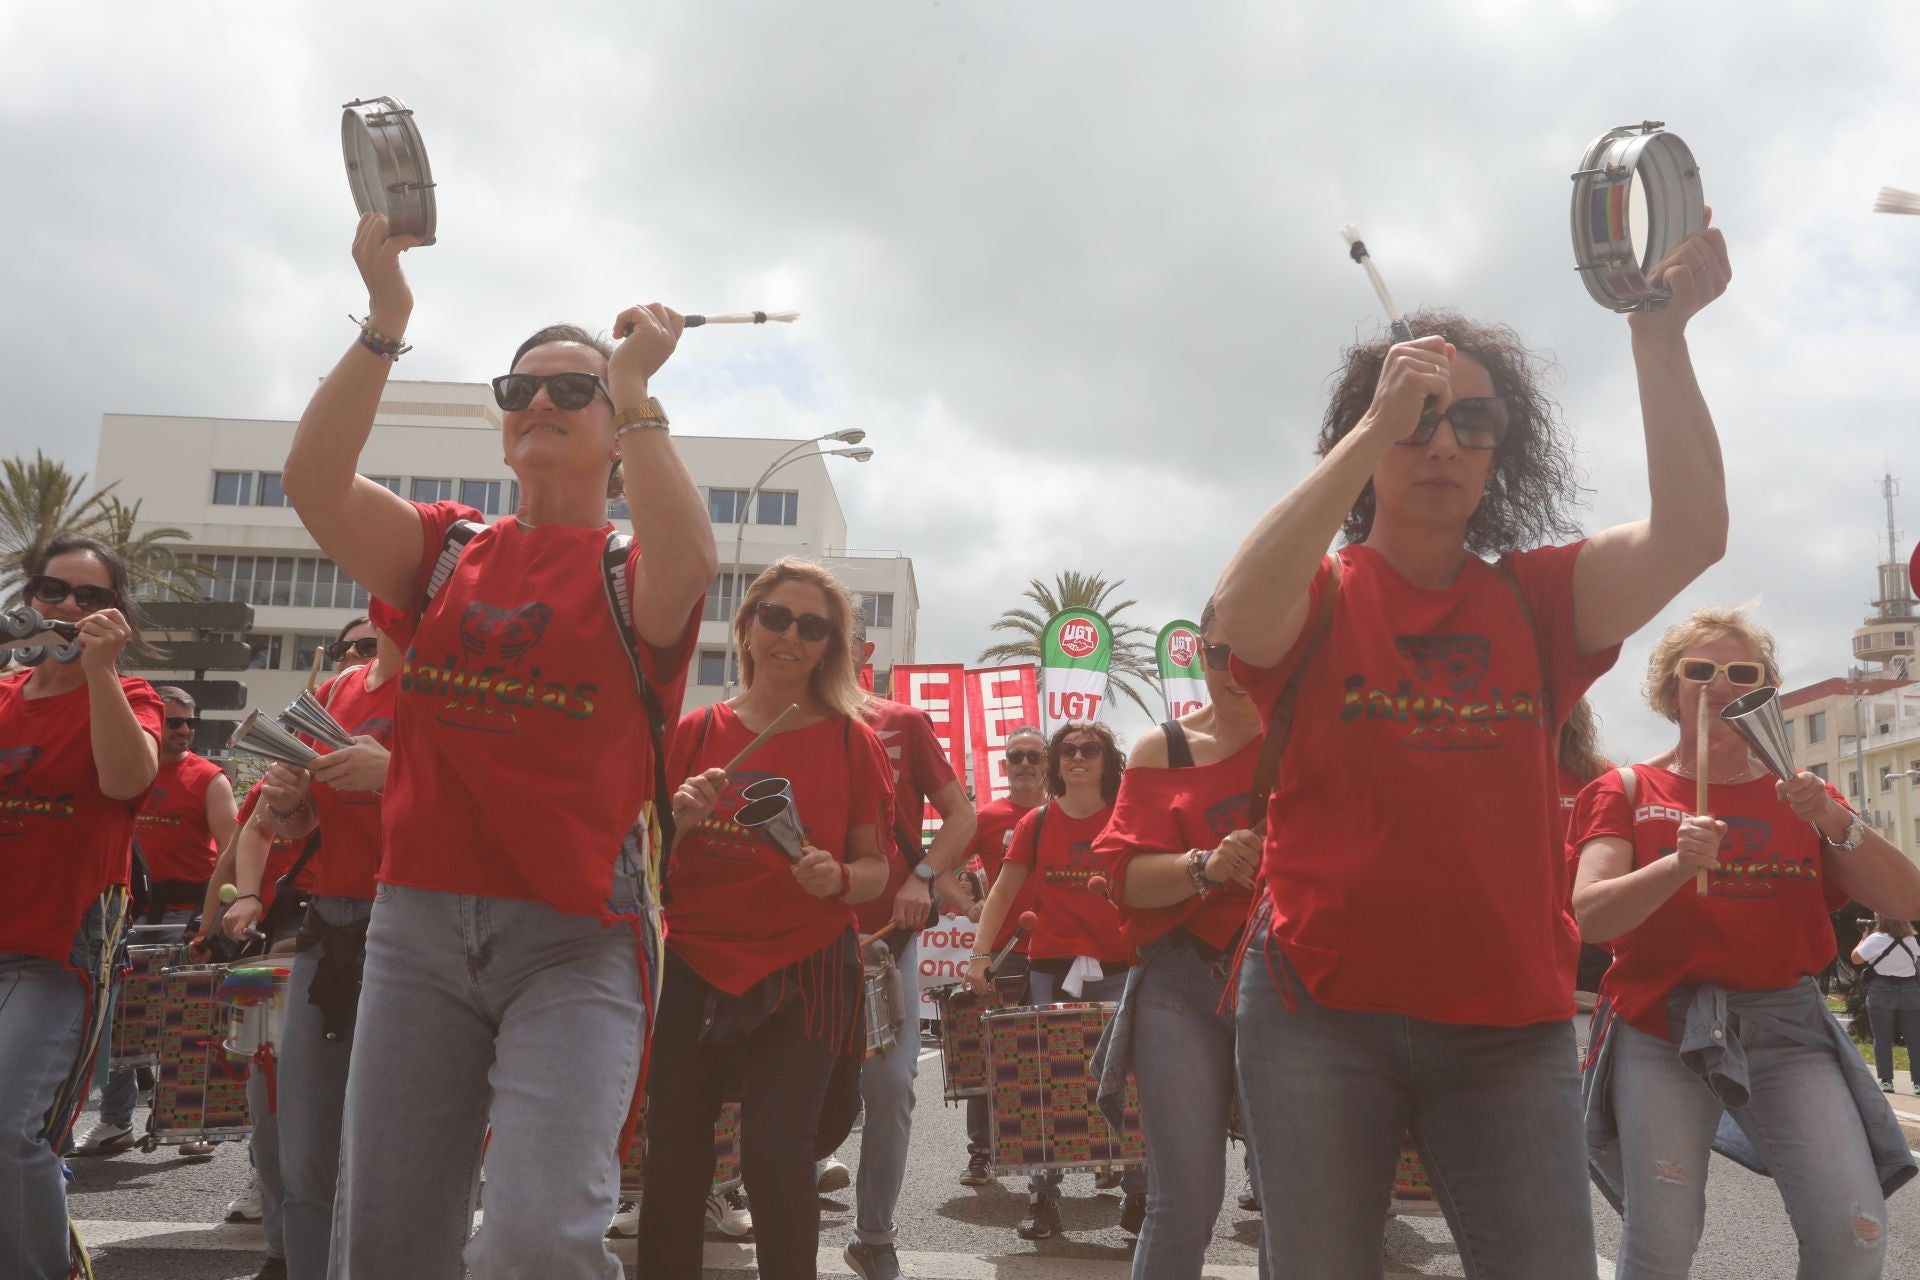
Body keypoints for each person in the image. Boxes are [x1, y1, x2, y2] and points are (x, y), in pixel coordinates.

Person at [1211, 211, 1732, 1278]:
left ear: (1506, 450)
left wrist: (1660, 340)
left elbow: (1691, 535)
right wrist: (1369, 428)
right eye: (1417, 419)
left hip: (1508, 1024)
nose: (1443, 443)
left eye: (1472, 422)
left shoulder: (1538, 601)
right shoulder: (1319, 593)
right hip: (1318, 1008)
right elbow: (1234, 617)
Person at [280, 210, 716, 1279]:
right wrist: (386, 319)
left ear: (619, 432)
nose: (541, 402)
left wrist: (640, 386)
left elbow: (689, 560)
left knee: (535, 1238)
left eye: (577, 389)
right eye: (520, 389)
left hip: (578, 936)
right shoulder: (444, 550)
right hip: (417, 924)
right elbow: (314, 486)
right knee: (387, 1244)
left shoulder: (628, 569)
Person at [1571, 605, 1920, 1277]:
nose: (1719, 683)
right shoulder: (1626, 789)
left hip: (1786, 1028)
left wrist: (1831, 819)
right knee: (1663, 1239)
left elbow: (1906, 900)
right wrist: (1675, 865)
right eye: (1698, 670)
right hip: (1660, 1027)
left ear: (1766, 689)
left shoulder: (1803, 796)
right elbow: (1594, 917)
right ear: (1669, 691)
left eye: (1742, 671)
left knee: (1855, 1232)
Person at [640, 558, 892, 1280]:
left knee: (778, 1159)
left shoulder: (853, 740)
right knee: (675, 1158)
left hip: (804, 966)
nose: (790, 637)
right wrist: (680, 820)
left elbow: (875, 868)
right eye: (776, 618)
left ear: (829, 646)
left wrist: (839, 877)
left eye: (812, 627)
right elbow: (641, 861)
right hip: (692, 960)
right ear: (746, 627)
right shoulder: (692, 732)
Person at [0, 534, 163, 1280]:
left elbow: (129, 782)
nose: (67, 607)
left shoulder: (131, 696)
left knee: (9, 1129)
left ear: (116, 615)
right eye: (52, 590)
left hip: (54, 954)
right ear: (28, 599)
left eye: (90, 597)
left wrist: (100, 671)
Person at [222, 608, 401, 1280]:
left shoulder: (457, 691)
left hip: (421, 923)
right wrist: (291, 800)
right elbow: (283, 825)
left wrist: (395, 774)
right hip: (330, 926)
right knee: (299, 1141)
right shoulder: (336, 694)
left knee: (402, 1147)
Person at [1091, 600, 1265, 1278]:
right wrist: (1206, 866)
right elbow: (1126, 880)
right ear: (1198, 651)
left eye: (1255, 653)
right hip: (1182, 984)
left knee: (1294, 1196)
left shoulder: (1313, 739)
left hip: (1288, 982)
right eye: (1220, 653)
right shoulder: (1163, 747)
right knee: (1184, 1200)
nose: (1235, 669)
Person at [830, 616, 977, 1280]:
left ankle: (875, 1234)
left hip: (885, 945)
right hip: (794, 942)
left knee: (889, 1085)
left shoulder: (904, 722)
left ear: (863, 649)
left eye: (830, 633)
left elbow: (961, 815)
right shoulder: (776, 721)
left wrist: (921, 878)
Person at [967, 721, 1147, 1239]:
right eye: (1067, 749)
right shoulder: (1037, 824)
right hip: (1048, 968)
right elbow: (1001, 892)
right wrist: (980, 954)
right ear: (1057, 762)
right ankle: (1042, 1196)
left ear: (1106, 761)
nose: (1078, 756)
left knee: (1129, 1083)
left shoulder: (1125, 819)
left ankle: (1139, 1194)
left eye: (1090, 749)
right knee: (1045, 1085)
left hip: (1120, 971)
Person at [76, 683, 237, 1157]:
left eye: (191, 722)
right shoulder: (121, 768)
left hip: (186, 912)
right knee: (118, 1016)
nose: (185, 730)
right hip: (123, 910)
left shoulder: (209, 777)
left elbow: (232, 850)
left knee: (186, 1017)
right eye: (174, 721)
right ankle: (115, 1123)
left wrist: (213, 919)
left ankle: (190, 1122)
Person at [957, 723, 1047, 1187]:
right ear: (1005, 765)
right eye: (1018, 757)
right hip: (1006, 954)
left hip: (1060, 954)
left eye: (1035, 756)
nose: (1026, 765)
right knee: (990, 1051)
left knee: (1061, 1055)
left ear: (1047, 763)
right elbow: (939, 868)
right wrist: (967, 905)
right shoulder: (988, 816)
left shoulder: (1068, 814)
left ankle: (1093, 1158)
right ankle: (982, 1152)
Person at [1853, 916, 1920, 1094]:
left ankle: (1887, 1081)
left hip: (1881, 989)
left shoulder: (1876, 939)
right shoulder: (1911, 939)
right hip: (1909, 989)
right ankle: (1918, 1083)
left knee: (1882, 1038)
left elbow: (1856, 958)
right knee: (1915, 1039)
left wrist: (1863, 938)